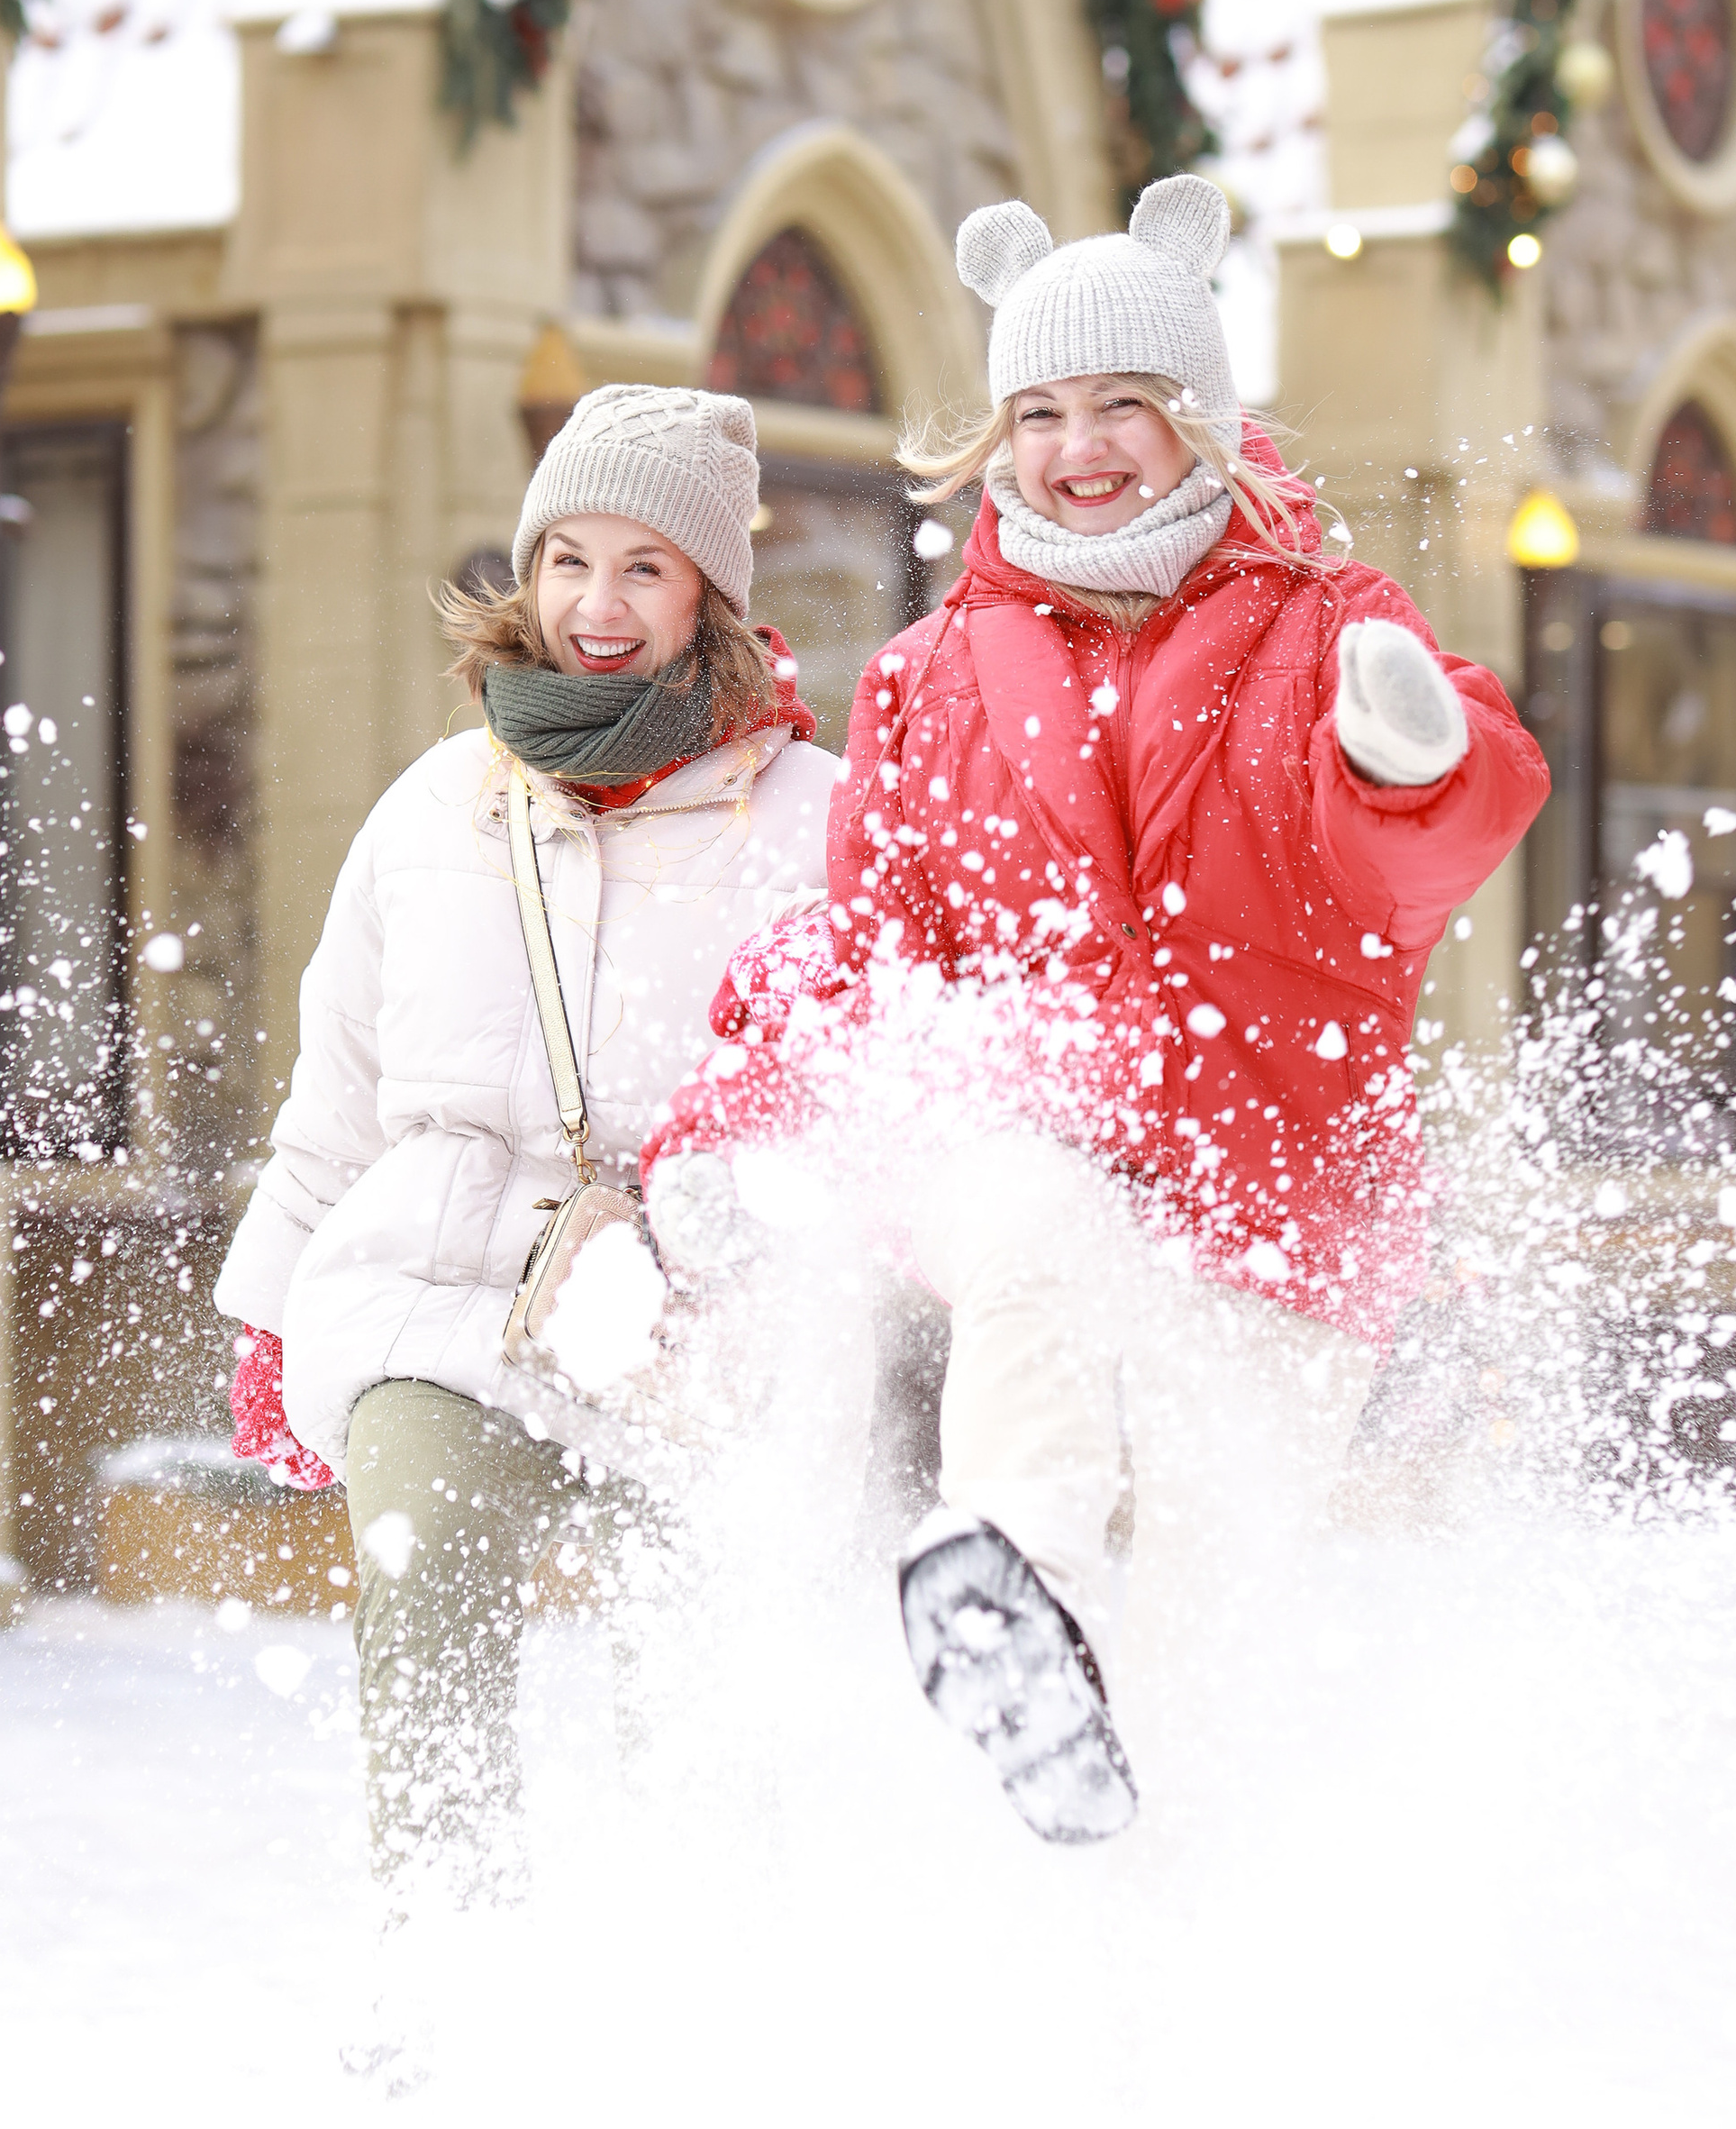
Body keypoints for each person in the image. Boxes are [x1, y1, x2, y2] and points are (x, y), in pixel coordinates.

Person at [644, 178, 1547, 1847]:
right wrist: (731, 1126)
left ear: (1195, 414)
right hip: (1039, 1125)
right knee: (1033, 1238)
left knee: (1224, 1587)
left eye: (1122, 403)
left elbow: (1438, 841)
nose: (1080, 445)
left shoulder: (1330, 627)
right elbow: (868, 949)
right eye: (1041, 411)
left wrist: (1416, 761)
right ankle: (1016, 1594)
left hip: (1284, 1185)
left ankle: (1178, 1908)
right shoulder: (928, 675)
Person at [215, 384, 836, 1911]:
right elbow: (342, 1085)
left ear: (711, 595)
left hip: (700, 1322)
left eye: (645, 567)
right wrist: (270, 1306)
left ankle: (696, 1990)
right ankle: (443, 1972)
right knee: (422, 1585)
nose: (599, 606)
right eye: (569, 560)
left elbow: (853, 1102)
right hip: (443, 1296)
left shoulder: (814, 819)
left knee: (695, 1674)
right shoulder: (437, 805)